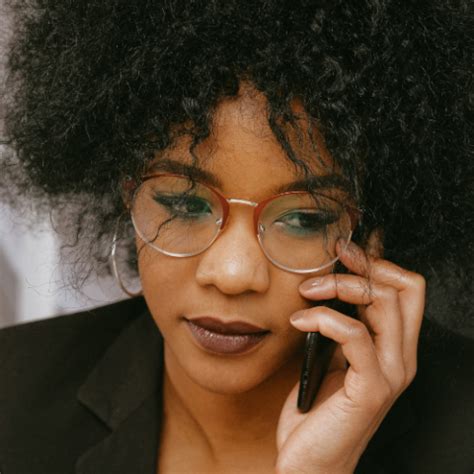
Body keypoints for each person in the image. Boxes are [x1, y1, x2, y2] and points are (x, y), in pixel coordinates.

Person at [0, 1, 472, 473]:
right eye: (185, 204)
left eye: (303, 218)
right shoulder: (13, 392)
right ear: (129, 194)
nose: (232, 275)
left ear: (371, 237)